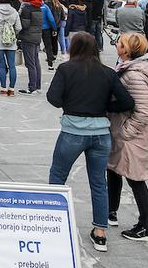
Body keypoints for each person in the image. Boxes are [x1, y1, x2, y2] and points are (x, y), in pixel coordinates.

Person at [45, 31, 135, 253]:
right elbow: (126, 101)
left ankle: (52, 224)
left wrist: (71, 103)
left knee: (58, 176)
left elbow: (53, 98)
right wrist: (104, 107)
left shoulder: (66, 69)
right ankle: (100, 232)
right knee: (98, 183)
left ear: (73, 48)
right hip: (100, 133)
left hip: (73, 131)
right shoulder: (107, 72)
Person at [107, 33, 148, 243]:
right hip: (123, 132)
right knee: (113, 170)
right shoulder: (127, 68)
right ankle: (110, 212)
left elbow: (144, 113)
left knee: (135, 179)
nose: (116, 45)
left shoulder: (136, 75)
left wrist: (124, 132)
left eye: (119, 44)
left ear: (127, 50)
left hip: (133, 137)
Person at [18, 0, 47, 95]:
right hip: (36, 37)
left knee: (30, 63)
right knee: (36, 62)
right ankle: (37, 86)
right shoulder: (38, 7)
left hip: (28, 37)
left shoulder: (26, 8)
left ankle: (32, 87)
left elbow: (25, 25)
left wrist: (18, 19)